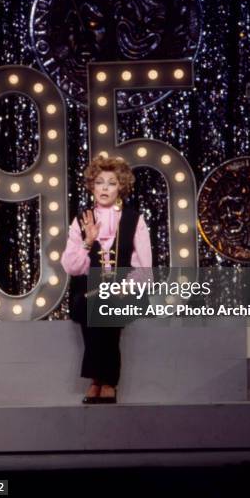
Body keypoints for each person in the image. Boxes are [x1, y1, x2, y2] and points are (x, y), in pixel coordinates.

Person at [61, 155, 152, 404]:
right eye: (100, 182)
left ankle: (99, 381)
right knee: (93, 304)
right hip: (87, 293)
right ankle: (107, 380)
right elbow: (71, 266)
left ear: (120, 186)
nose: (105, 188)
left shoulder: (135, 220)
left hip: (125, 291)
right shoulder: (81, 220)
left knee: (106, 306)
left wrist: (121, 288)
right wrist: (88, 241)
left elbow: (145, 270)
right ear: (92, 186)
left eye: (111, 183)